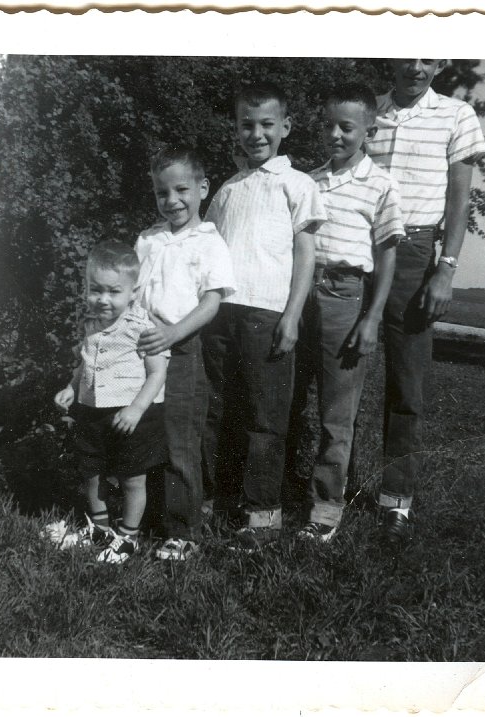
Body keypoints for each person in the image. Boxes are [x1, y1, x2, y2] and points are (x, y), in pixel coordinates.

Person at [365, 59, 485, 543]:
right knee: (341, 374)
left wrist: (447, 268)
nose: (415, 66)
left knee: (406, 385)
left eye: (427, 57)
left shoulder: (457, 115)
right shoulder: (367, 110)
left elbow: (459, 202)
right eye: (407, 54)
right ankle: (327, 495)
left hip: (415, 252)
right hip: (356, 246)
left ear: (439, 63)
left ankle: (395, 501)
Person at [203, 80, 327, 554]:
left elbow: (305, 254)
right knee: (217, 411)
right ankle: (212, 501)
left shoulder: (298, 184)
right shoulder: (227, 188)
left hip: (269, 314)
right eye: (247, 125)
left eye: (267, 125)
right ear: (236, 129)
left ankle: (262, 516)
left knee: (264, 418)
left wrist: (293, 315)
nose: (256, 134)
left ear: (286, 127)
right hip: (220, 314)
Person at [290, 83, 405, 544]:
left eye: (347, 127)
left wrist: (372, 317)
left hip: (345, 294)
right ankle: (275, 493)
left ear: (369, 131)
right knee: (290, 400)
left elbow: (388, 255)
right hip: (300, 293)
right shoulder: (308, 180)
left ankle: (325, 509)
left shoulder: (381, 184)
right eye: (329, 125)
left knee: (337, 411)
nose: (336, 134)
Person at [134, 146, 235, 562]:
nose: (172, 200)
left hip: (183, 349)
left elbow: (211, 302)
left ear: (203, 188)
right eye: (162, 192)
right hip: (141, 349)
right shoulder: (148, 239)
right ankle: (140, 516)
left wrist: (173, 333)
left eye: (181, 190)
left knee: (180, 440)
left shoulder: (209, 241)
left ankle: (184, 530)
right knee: (144, 435)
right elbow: (135, 293)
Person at [47, 241, 169, 564]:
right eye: (95, 290)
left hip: (130, 416)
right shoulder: (89, 323)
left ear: (133, 291)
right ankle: (100, 529)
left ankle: (128, 537)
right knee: (91, 471)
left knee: (132, 477)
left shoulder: (142, 327)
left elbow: (157, 374)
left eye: (113, 292)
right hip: (90, 412)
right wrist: (72, 388)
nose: (103, 299)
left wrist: (136, 409)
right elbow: (84, 364)